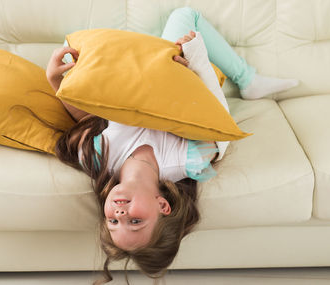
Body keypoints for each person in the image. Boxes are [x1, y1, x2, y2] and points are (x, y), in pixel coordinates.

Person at [46, 7, 298, 284]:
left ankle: (236, 74)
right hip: (166, 74)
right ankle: (247, 79)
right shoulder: (189, 159)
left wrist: (55, 81)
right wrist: (196, 63)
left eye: (114, 222)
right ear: (162, 206)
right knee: (185, 15)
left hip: (131, 73)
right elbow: (217, 116)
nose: (120, 213)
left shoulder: (98, 158)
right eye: (135, 221)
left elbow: (88, 118)